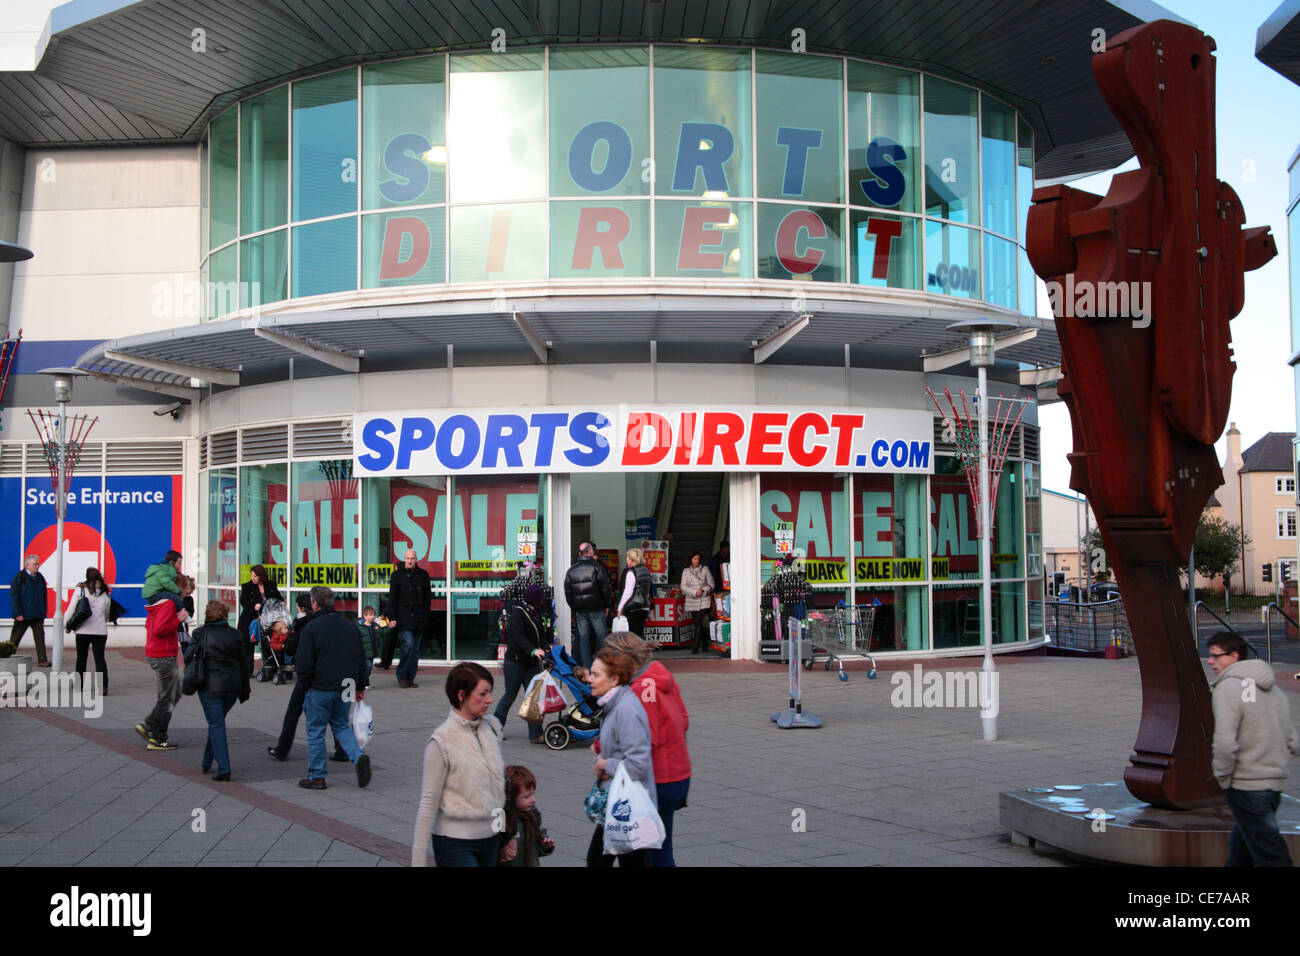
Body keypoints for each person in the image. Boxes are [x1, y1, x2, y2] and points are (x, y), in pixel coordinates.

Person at [1207, 630, 1298, 866]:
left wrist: (1222, 776)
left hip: (1247, 786)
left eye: (1216, 656)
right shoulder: (1274, 689)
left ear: (1234, 656)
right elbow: (1292, 739)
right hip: (1273, 786)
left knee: (1272, 857)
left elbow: (1225, 742)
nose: (1210, 661)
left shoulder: (1227, 689)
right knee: (1242, 849)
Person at [604, 634, 691, 867]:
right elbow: (683, 719)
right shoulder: (661, 678)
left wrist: (607, 756)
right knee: (660, 846)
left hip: (657, 779)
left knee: (652, 852)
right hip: (677, 772)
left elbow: (645, 739)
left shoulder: (641, 690)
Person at [412, 662, 505, 867]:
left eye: (490, 693)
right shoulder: (441, 742)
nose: (489, 700)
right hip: (454, 842)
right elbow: (428, 802)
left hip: (490, 839)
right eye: (482, 694)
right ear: (461, 695)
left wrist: (508, 834)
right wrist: (418, 860)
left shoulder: (491, 728)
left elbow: (497, 790)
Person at [294, 586, 371, 791]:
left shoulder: (311, 628)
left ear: (315, 604)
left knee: (316, 730)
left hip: (321, 686)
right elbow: (360, 658)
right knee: (341, 724)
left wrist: (305, 684)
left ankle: (317, 776)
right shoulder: (350, 627)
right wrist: (360, 684)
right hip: (346, 684)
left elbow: (303, 664)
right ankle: (358, 756)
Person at [586, 646, 656, 868]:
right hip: (618, 802)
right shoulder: (613, 704)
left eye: (596, 675)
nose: (589, 679)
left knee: (599, 861)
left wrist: (606, 764)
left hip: (628, 805)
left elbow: (638, 764)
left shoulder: (625, 708)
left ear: (614, 679)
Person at [268, 593, 348, 763]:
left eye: (298, 605)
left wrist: (287, 640)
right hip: (328, 674)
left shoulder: (302, 624)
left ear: (304, 607)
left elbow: (291, 648)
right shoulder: (329, 622)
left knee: (294, 713)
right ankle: (343, 749)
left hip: (308, 675)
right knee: (335, 715)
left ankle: (283, 749)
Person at [190, 599, 251, 781]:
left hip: (209, 686)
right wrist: (244, 689)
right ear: (225, 615)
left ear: (207, 616)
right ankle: (206, 761)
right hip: (231, 687)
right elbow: (243, 663)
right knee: (216, 722)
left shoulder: (200, 634)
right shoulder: (236, 635)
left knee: (216, 724)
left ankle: (224, 768)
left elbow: (187, 656)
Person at [492, 584, 550, 743]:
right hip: (515, 662)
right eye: (541, 600)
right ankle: (494, 729)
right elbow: (518, 636)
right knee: (510, 695)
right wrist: (533, 650)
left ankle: (536, 734)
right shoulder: (518, 613)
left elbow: (541, 635)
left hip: (530, 663)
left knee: (533, 697)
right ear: (534, 600)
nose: (543, 602)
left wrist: (546, 648)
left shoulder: (535, 613)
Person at [135, 593, 190, 750]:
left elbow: (150, 625)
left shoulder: (159, 603)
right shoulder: (167, 605)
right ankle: (157, 738)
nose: (186, 595)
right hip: (163, 655)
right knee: (167, 698)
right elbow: (160, 629)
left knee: (174, 694)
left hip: (159, 653)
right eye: (185, 590)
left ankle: (149, 725)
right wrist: (178, 619)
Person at [383, 548, 431, 689]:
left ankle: (410, 678)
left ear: (416, 559)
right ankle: (402, 675)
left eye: (412, 558)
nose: (409, 561)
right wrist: (392, 617)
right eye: (407, 558)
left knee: (415, 650)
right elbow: (392, 598)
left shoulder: (423, 575)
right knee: (408, 644)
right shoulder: (397, 575)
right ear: (404, 559)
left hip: (419, 618)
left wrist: (426, 612)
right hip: (403, 618)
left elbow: (427, 596)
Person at [564, 541, 612, 668]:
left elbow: (568, 593)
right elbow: (606, 589)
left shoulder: (571, 570)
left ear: (580, 554)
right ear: (591, 553)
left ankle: (586, 670)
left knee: (584, 641)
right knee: (602, 639)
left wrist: (575, 609)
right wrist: (607, 605)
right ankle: (605, 668)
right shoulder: (598, 568)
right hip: (597, 609)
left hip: (581, 611)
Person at [499, 765, 555, 867]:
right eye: (527, 796)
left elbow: (539, 839)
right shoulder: (501, 817)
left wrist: (545, 845)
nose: (533, 800)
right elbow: (494, 846)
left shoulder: (532, 815)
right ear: (511, 797)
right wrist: (503, 850)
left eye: (533, 794)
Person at [71, 567, 113, 695]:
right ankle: (103, 687)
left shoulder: (81, 590)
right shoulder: (104, 592)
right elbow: (107, 612)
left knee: (81, 658)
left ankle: (78, 685)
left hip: (83, 631)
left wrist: (67, 625)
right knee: (99, 658)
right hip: (100, 631)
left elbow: (72, 609)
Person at [238, 565, 283, 682]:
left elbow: (278, 598)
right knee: (248, 644)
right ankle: (247, 671)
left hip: (268, 618)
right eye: (252, 576)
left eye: (255, 576)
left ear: (261, 576)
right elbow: (243, 601)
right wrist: (254, 606)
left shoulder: (271, 585)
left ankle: (270, 667)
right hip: (250, 618)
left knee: (268, 642)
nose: (253, 578)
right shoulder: (247, 587)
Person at [9, 554, 49, 667]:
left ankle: (42, 660)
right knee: (15, 639)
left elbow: (43, 596)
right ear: (27, 566)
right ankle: (6, 658)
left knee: (40, 638)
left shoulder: (40, 577)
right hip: (23, 615)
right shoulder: (19, 577)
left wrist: (43, 612)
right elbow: (14, 596)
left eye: (38, 564)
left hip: (37, 615)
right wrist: (17, 613)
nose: (37, 566)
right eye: (35, 564)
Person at [680, 551, 716, 654]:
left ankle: (695, 646)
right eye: (695, 558)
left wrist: (703, 590)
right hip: (691, 600)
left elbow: (712, 584)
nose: (697, 561)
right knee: (697, 623)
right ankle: (704, 642)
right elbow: (683, 587)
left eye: (698, 558)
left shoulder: (705, 570)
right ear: (690, 560)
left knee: (698, 622)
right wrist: (695, 592)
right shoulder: (686, 571)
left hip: (704, 600)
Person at [616, 548, 653, 638]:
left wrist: (620, 608)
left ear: (632, 559)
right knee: (640, 632)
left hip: (633, 607)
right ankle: (642, 651)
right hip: (644, 606)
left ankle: (637, 651)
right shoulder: (646, 570)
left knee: (634, 635)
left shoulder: (631, 572)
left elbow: (627, 592)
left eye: (627, 557)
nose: (626, 559)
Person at [356, 605, 388, 689]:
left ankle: (365, 682)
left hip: (372, 652)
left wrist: (389, 627)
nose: (372, 617)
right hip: (363, 652)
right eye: (370, 615)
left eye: (373, 615)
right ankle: (363, 682)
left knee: (368, 668)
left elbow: (382, 632)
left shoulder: (374, 626)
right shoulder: (360, 627)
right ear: (364, 616)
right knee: (368, 667)